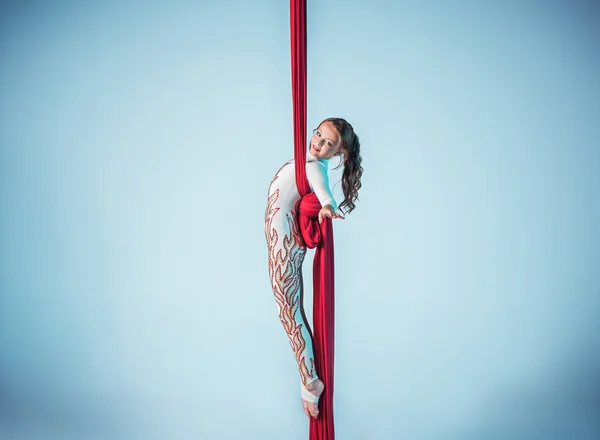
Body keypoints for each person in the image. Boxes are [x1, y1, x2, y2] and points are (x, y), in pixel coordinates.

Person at [264, 117, 363, 419]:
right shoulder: (306, 159)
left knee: (289, 314)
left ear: (338, 154)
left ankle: (310, 381)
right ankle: (308, 379)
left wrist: (328, 206)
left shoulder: (312, 167)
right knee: (289, 313)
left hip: (285, 249)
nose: (318, 142)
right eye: (318, 134)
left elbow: (323, 192)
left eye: (328, 143)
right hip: (281, 245)